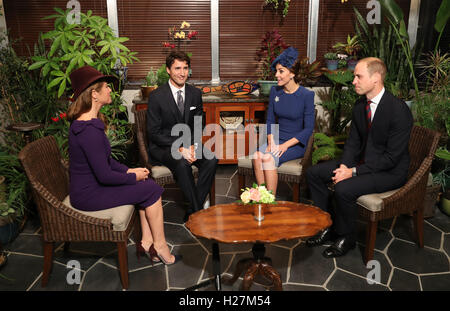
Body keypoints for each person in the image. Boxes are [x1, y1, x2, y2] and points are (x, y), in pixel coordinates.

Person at [67, 66, 181, 265]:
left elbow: (106, 161)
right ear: (94, 94)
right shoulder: (88, 131)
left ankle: (146, 243)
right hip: (89, 195)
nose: (111, 90)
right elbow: (104, 175)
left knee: (147, 186)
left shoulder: (87, 123)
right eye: (106, 87)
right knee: (152, 189)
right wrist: (132, 177)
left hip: (90, 188)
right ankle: (160, 246)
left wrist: (130, 170)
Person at [305, 57, 413, 258]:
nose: (353, 81)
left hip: (390, 171)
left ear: (376, 78)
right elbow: (353, 142)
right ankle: (325, 226)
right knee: (314, 173)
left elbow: (391, 158)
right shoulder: (359, 105)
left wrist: (352, 172)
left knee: (344, 188)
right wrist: (344, 166)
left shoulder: (399, 111)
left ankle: (346, 237)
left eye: (358, 76)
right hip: (363, 161)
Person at [147, 51, 218, 222]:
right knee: (181, 162)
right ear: (168, 70)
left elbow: (198, 124)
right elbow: (154, 133)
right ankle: (198, 211)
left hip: (189, 143)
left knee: (212, 159)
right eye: (177, 68)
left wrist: (192, 145)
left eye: (185, 68)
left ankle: (194, 208)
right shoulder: (156, 96)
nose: (182, 72)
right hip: (163, 147)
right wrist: (179, 148)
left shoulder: (195, 94)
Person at [252, 47, 315, 196]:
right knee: (257, 156)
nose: (276, 75)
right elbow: (270, 119)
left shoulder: (306, 95)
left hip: (295, 143)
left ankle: (270, 202)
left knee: (267, 158)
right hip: (277, 140)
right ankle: (262, 198)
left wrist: (284, 146)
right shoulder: (275, 91)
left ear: (292, 73)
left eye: (281, 71)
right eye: (277, 71)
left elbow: (308, 129)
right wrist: (271, 141)